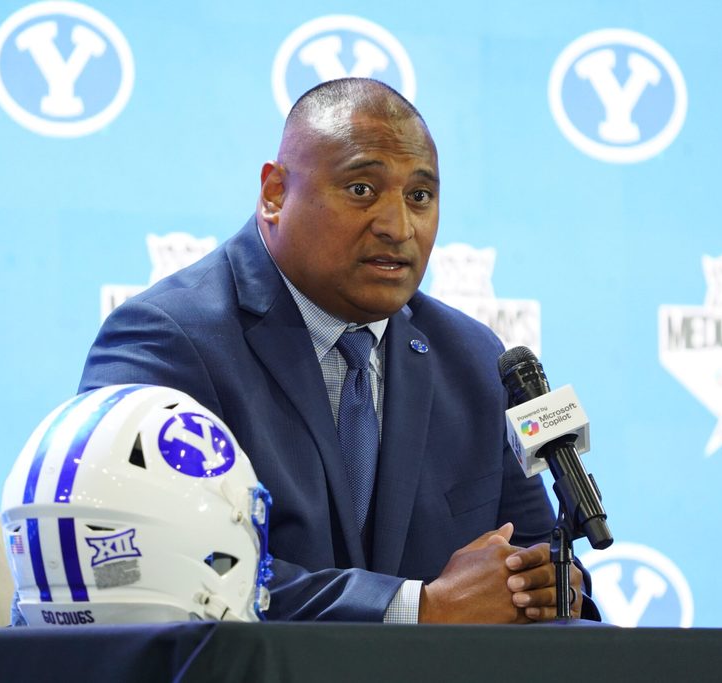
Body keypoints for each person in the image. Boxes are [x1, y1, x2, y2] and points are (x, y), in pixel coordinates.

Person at [81, 77, 597, 623]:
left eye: (419, 197)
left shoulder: (473, 359)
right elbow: (149, 565)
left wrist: (548, 588)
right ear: (275, 193)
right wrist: (417, 609)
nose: (398, 227)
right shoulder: (167, 338)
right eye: (361, 190)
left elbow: (539, 556)